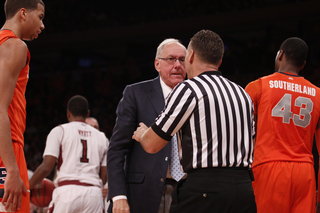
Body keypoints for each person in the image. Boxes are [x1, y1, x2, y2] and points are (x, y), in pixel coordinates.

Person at [132, 29, 256, 213]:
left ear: (191, 56)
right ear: (219, 61)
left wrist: (143, 135)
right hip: (244, 189)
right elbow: (252, 141)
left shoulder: (188, 89)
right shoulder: (242, 93)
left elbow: (152, 145)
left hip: (205, 189)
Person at [107, 38, 187, 213]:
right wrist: (118, 195)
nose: (177, 65)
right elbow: (117, 148)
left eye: (182, 60)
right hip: (144, 192)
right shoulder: (136, 93)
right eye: (171, 59)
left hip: (187, 192)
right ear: (157, 64)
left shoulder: (196, 96)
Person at [245, 37, 320, 213]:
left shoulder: (258, 86)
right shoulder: (318, 94)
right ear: (303, 65)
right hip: (305, 173)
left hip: (269, 168)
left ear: (280, 55)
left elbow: (239, 133)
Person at [0, 0, 45, 212]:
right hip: (7, 146)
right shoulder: (15, 45)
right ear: (24, 13)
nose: (42, 25)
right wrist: (11, 169)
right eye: (41, 17)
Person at [29, 95, 108, 213]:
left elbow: (46, 167)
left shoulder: (59, 130)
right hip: (93, 195)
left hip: (67, 192)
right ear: (87, 114)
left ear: (68, 113)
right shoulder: (102, 137)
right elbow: (104, 174)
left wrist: (26, 187)